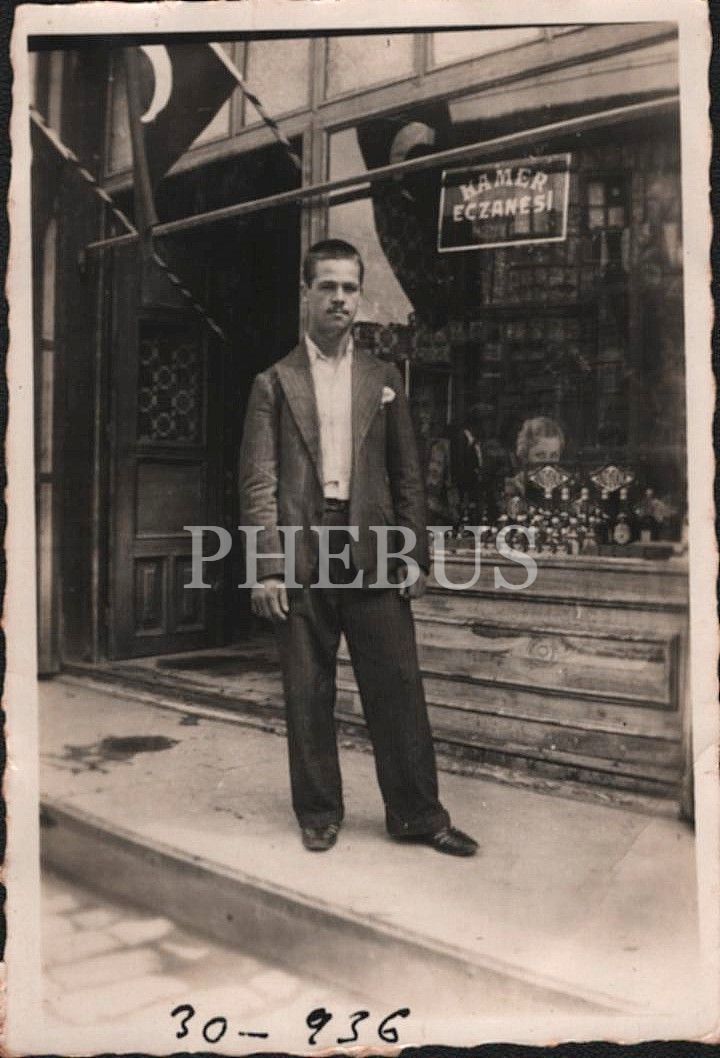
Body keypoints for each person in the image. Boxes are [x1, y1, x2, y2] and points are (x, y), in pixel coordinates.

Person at [238, 239, 477, 857]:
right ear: (306, 294)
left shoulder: (383, 377)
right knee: (307, 690)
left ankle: (418, 815)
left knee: (397, 684)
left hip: (372, 546)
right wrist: (268, 567)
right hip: (302, 549)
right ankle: (319, 812)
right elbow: (259, 482)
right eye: (327, 286)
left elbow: (407, 476)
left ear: (360, 295)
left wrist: (413, 554)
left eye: (349, 287)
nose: (339, 298)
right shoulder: (274, 382)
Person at [503, 416, 566, 517]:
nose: (548, 463)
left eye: (554, 456)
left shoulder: (566, 487)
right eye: (540, 455)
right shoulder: (513, 488)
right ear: (524, 455)